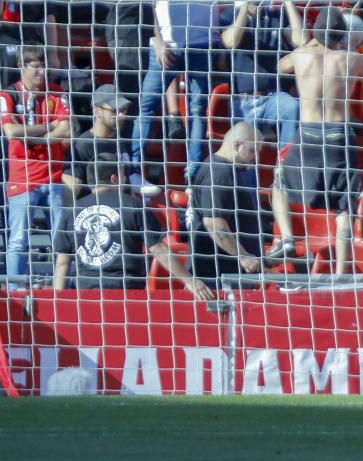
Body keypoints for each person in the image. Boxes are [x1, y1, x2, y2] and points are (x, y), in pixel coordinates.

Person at [268, 6, 363, 270]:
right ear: (341, 35)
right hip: (338, 135)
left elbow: (280, 66)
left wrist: (311, 42)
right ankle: (341, 272)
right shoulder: (352, 59)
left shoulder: (300, 55)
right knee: (344, 205)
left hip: (308, 133)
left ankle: (287, 237)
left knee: (279, 181)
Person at [131, 0, 220, 186]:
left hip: (202, 45)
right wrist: (156, 39)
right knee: (147, 104)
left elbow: (227, 0)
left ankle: (193, 173)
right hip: (166, 46)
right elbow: (150, 1)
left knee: (197, 109)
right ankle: (133, 169)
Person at [53, 153, 214, 297]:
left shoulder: (71, 212)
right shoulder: (133, 205)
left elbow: (62, 262)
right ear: (114, 179)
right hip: (126, 291)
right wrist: (190, 280)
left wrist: (57, 301)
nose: (126, 181)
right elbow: (158, 249)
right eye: (124, 176)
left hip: (86, 292)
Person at [0, 45, 70, 287]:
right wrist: (47, 128)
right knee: (18, 240)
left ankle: (63, 290)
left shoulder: (58, 92)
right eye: (37, 67)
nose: (42, 71)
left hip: (53, 176)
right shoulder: (8, 95)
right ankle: (15, 290)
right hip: (22, 179)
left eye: (44, 66)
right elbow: (11, 132)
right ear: (21, 67)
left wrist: (29, 134)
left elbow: (67, 130)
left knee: (61, 238)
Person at [220, 0, 304, 149]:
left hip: (273, 97)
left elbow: (300, 40)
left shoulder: (276, 16)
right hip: (245, 100)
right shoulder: (232, 15)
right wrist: (245, 5)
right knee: (245, 151)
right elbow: (231, 41)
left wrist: (288, 1)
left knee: (292, 107)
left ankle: (284, 166)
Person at [189, 122, 264, 287]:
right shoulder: (220, 173)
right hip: (221, 278)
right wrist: (243, 256)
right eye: (253, 150)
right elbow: (213, 223)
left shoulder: (222, 169)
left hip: (227, 273)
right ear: (237, 145)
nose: (256, 157)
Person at [63, 85, 155, 203]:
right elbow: (69, 193)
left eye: (123, 110)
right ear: (98, 112)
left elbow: (128, 184)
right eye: (115, 110)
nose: (122, 115)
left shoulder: (120, 140)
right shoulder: (82, 145)